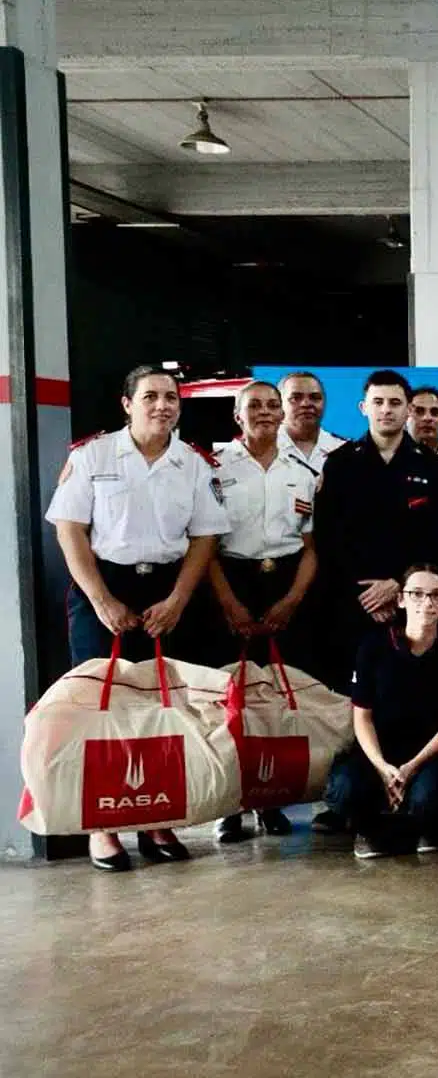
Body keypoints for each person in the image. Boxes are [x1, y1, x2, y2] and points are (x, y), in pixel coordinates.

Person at [47, 364, 230, 872]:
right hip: (102, 584)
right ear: (127, 404)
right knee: (99, 705)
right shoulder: (94, 456)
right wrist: (103, 600)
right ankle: (102, 829)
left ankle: (157, 819)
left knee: (164, 707)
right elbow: (69, 531)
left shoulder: (192, 464)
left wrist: (177, 600)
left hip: (166, 589)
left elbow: (205, 537)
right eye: (150, 397)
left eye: (171, 397)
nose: (162, 405)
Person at [207, 380, 320, 842]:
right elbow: (205, 547)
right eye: (254, 405)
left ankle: (271, 799)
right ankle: (229, 804)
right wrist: (229, 603)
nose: (266, 413)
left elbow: (313, 547)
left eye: (274, 405)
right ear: (238, 414)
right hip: (229, 582)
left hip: (286, 583)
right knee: (229, 700)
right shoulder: (214, 469)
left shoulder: (304, 471)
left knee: (275, 697)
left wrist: (292, 599)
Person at [311, 370, 438, 695]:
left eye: (395, 402)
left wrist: (398, 586)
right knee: (353, 693)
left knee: (411, 692)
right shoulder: (340, 463)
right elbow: (328, 537)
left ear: (408, 410)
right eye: (378, 402)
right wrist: (367, 595)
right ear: (364, 407)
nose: (386, 409)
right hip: (353, 599)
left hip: (413, 600)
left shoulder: (430, 467)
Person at [332, 565, 438, 859]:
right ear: (401, 600)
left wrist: (411, 767)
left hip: (427, 754)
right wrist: (383, 767)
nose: (426, 603)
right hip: (379, 750)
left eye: (435, 596)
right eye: (416, 594)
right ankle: (370, 831)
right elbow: (362, 716)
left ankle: (426, 826)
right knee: (344, 789)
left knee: (430, 798)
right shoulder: (373, 647)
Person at [276, 370, 347, 472]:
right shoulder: (263, 448)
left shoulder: (342, 449)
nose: (306, 404)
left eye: (315, 398)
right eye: (296, 398)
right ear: (278, 404)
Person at [408, 385, 438, 466]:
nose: (427, 418)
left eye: (435, 412)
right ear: (405, 417)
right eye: (419, 411)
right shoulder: (389, 460)